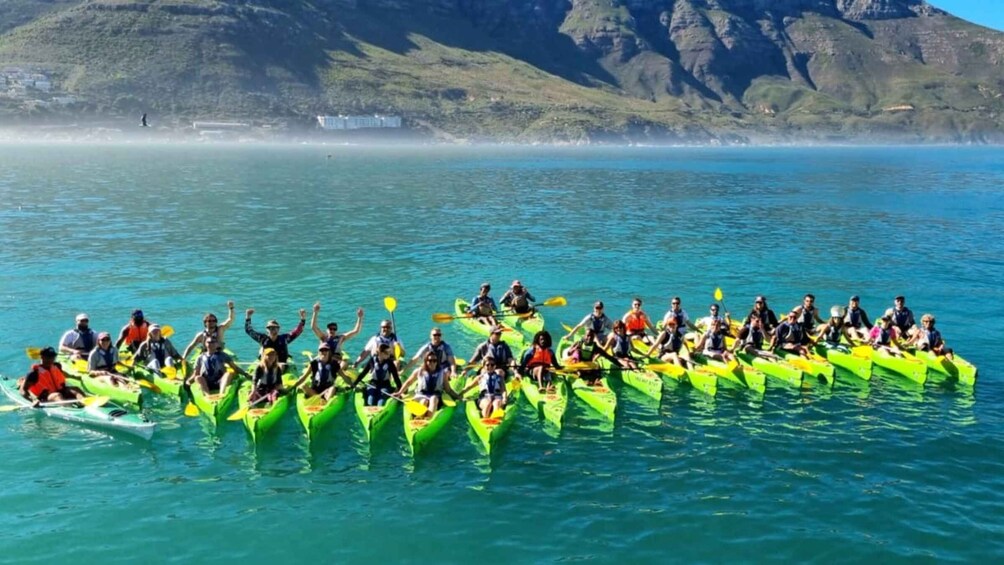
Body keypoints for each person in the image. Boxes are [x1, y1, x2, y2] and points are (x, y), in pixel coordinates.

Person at [18, 347, 86, 407]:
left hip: (61, 391)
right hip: (46, 398)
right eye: (48, 357)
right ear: (42, 357)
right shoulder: (34, 373)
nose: (51, 359)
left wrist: (75, 377)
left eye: (52, 357)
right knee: (57, 395)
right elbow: (22, 390)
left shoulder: (57, 366)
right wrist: (33, 400)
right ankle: (69, 409)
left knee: (75, 389)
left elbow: (62, 374)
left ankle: (86, 404)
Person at [309, 302, 363, 368]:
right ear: (327, 330)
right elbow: (313, 327)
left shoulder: (340, 338)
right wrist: (315, 312)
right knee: (312, 365)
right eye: (330, 329)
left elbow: (356, 331)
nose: (332, 330)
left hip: (336, 359)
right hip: (324, 358)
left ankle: (339, 372)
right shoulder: (323, 337)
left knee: (344, 364)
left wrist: (360, 318)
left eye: (334, 329)